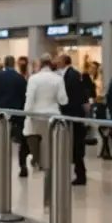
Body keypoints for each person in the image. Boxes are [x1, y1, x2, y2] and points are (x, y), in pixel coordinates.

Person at [23, 54, 67, 176]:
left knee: (33, 135)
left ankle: (36, 161)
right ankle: (50, 164)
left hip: (36, 115)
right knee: (50, 141)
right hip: (53, 116)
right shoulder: (58, 79)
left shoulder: (34, 79)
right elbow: (63, 100)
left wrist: (27, 113)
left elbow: (29, 99)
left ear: (41, 64)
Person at [0, 55, 29, 177]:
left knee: (1, 137)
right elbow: (24, 96)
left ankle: (0, 163)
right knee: (22, 139)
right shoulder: (20, 78)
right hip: (17, 110)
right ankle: (22, 165)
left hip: (1, 109)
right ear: (14, 64)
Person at [58, 54, 88, 185]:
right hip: (73, 114)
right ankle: (78, 172)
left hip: (73, 115)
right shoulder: (70, 74)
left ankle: (80, 174)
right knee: (74, 145)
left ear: (64, 61)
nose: (56, 62)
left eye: (58, 60)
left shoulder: (71, 75)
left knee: (76, 145)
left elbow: (73, 96)